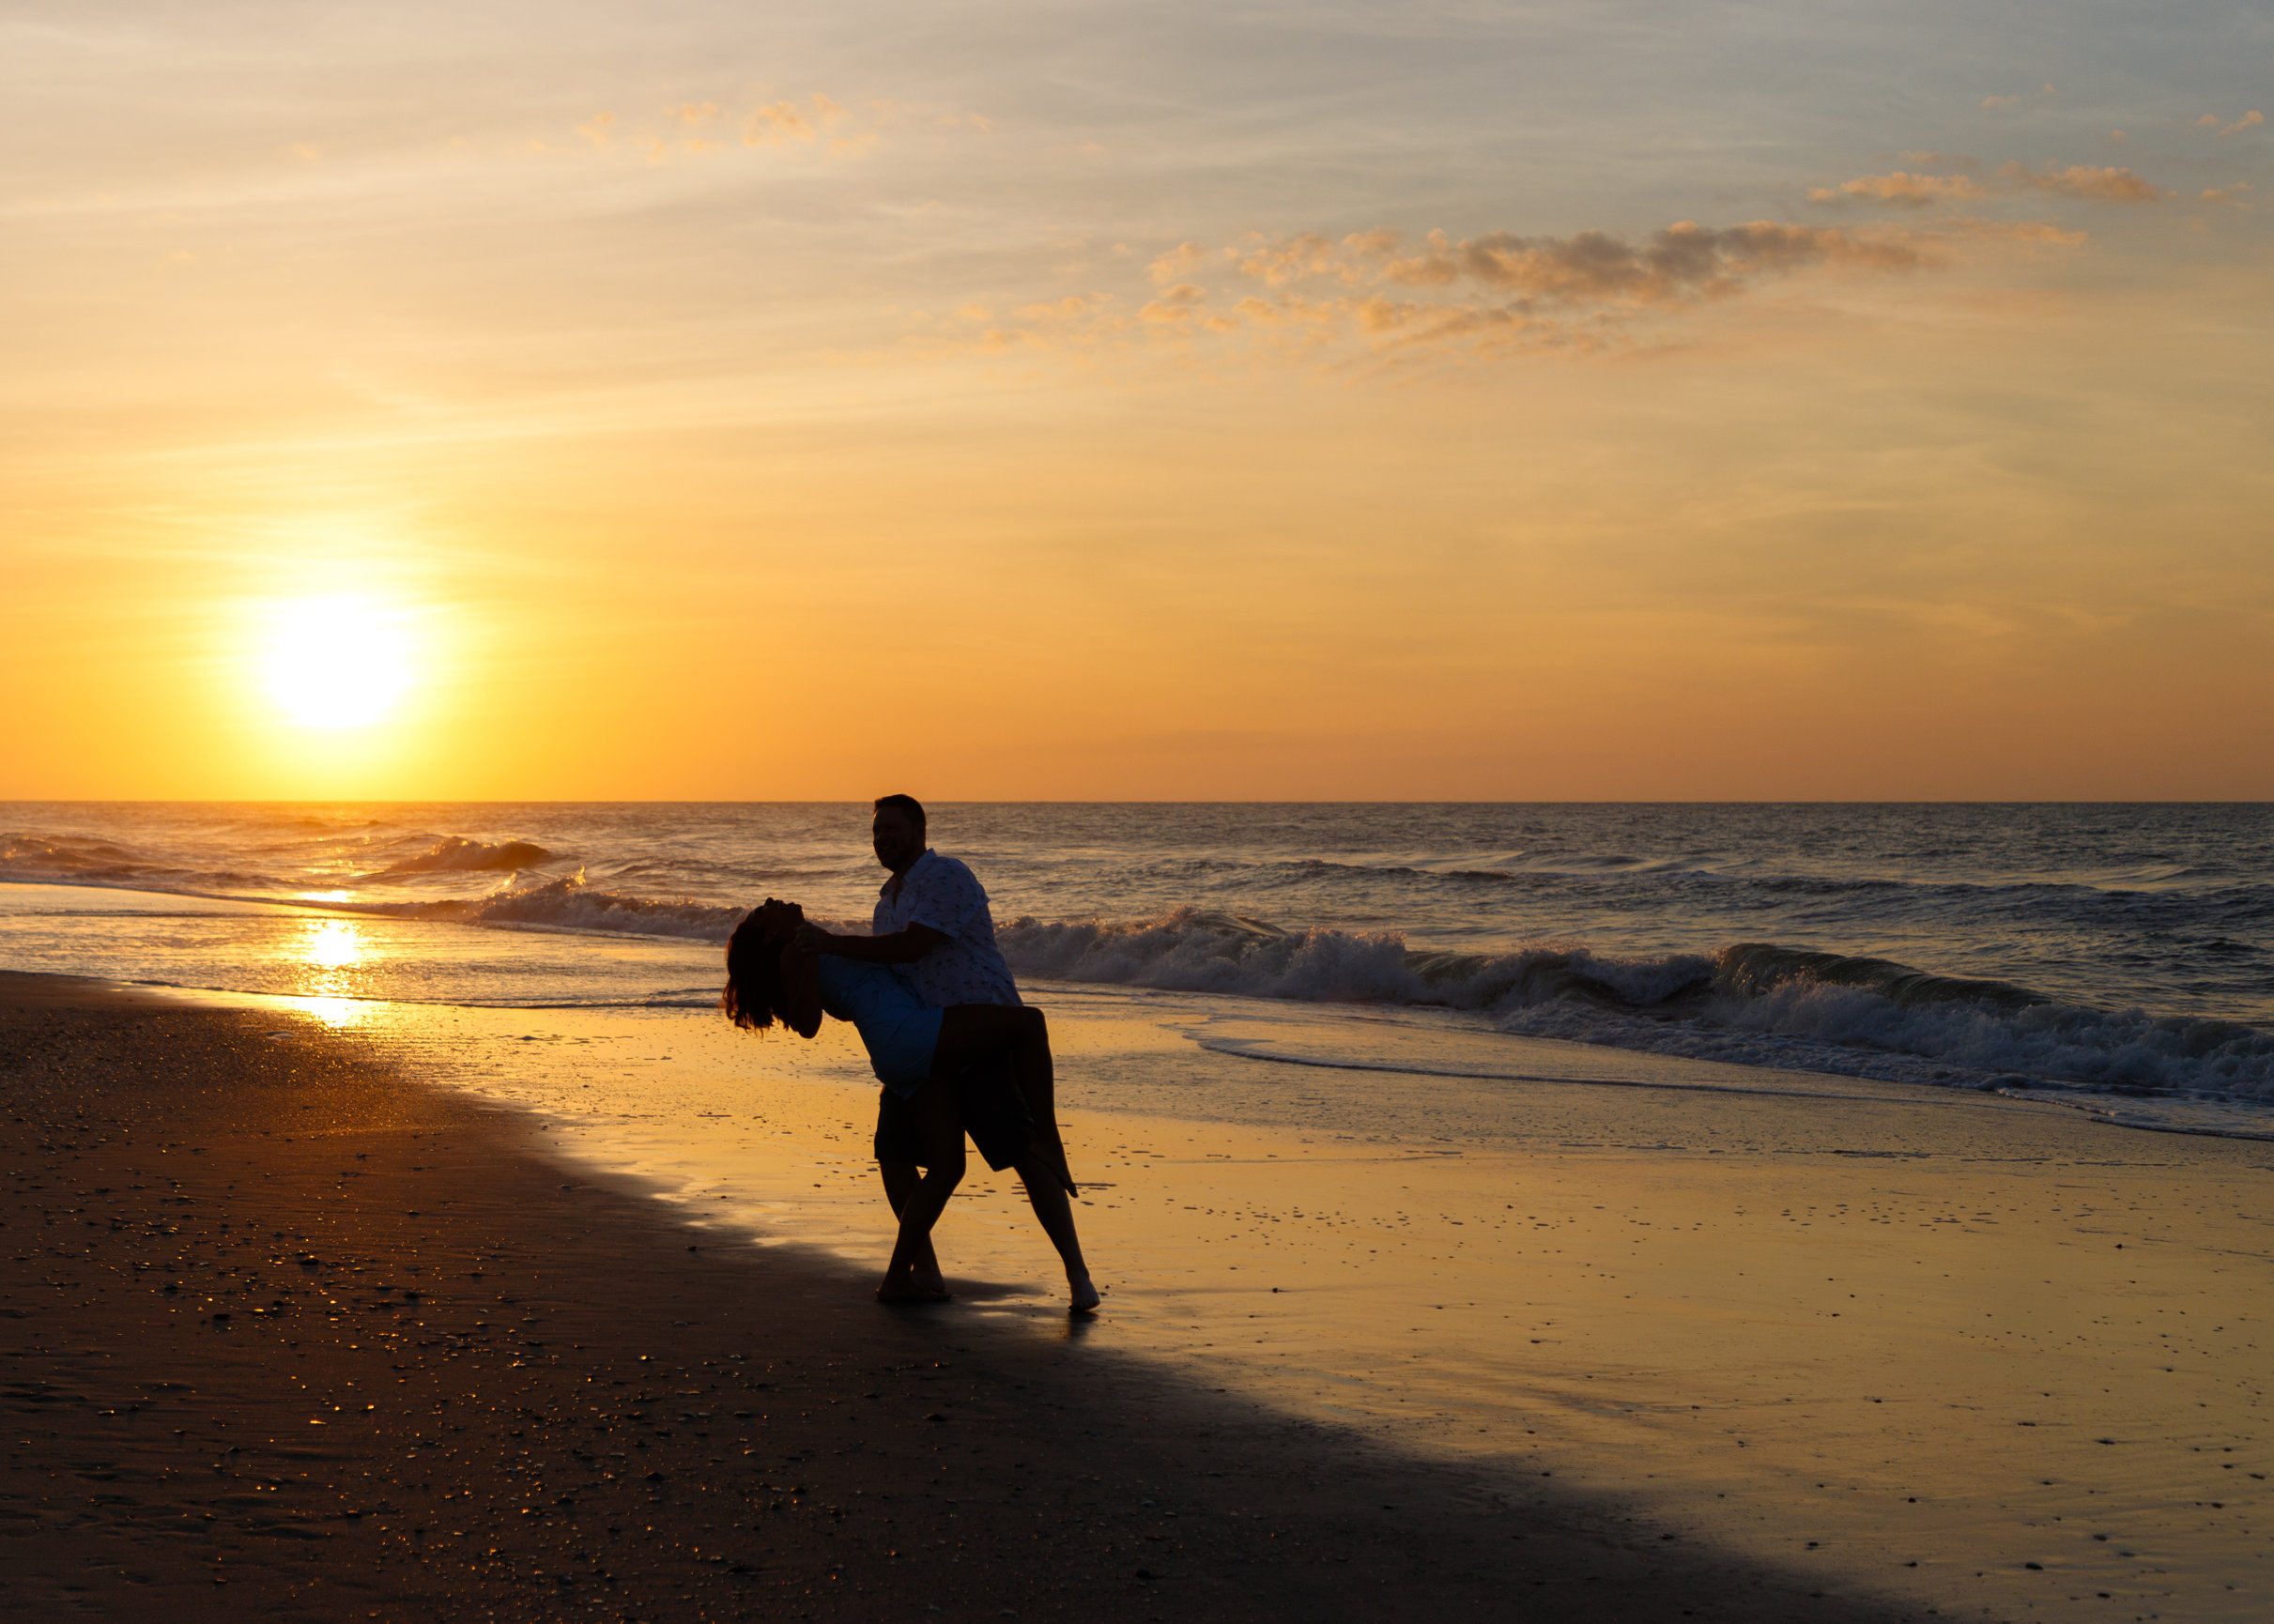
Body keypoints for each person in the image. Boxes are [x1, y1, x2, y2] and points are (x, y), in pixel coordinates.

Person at [722, 897, 1099, 1313]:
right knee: (1029, 1024)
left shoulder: (812, 946)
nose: (772, 900)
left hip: (903, 1045)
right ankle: (1049, 1139)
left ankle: (901, 1277)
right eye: (763, 910)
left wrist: (823, 951)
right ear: (773, 934)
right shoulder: (798, 951)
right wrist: (811, 957)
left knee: (948, 1166)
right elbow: (809, 1025)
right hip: (909, 1038)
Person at [793, 796, 1077, 1258]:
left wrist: (831, 944)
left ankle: (1076, 1272)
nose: (883, 839)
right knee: (894, 1152)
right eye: (876, 832)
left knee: (1026, 1154)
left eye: (892, 829)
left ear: (920, 832)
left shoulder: (949, 875)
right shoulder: (885, 904)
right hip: (930, 1040)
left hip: (984, 1029)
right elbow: (889, 975)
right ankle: (921, 1271)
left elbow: (914, 947)